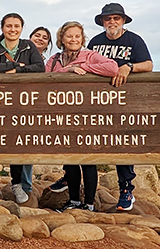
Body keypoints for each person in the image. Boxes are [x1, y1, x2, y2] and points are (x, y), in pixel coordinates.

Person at [46, 21, 119, 211]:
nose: (73, 39)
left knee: (87, 161)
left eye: (77, 36)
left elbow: (112, 68)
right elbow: (45, 78)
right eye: (69, 36)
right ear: (61, 38)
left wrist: (86, 68)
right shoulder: (53, 60)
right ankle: (74, 200)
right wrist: (67, 70)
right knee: (70, 160)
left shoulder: (90, 56)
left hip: (85, 116)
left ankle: (89, 203)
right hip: (62, 117)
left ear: (83, 38)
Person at [87, 2, 153, 211]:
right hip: (96, 103)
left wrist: (129, 67)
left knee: (122, 144)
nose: (112, 22)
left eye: (116, 18)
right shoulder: (95, 42)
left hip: (124, 103)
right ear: (102, 22)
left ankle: (126, 189)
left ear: (123, 20)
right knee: (84, 139)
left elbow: (148, 65)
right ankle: (75, 184)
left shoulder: (134, 40)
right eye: (108, 18)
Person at [0, 13, 44, 204]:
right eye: (8, 26)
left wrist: (17, 70)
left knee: (17, 142)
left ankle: (18, 184)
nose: (12, 29)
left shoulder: (28, 46)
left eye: (16, 26)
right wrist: (17, 64)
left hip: (22, 102)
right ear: (2, 28)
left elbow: (39, 67)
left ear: (22, 28)